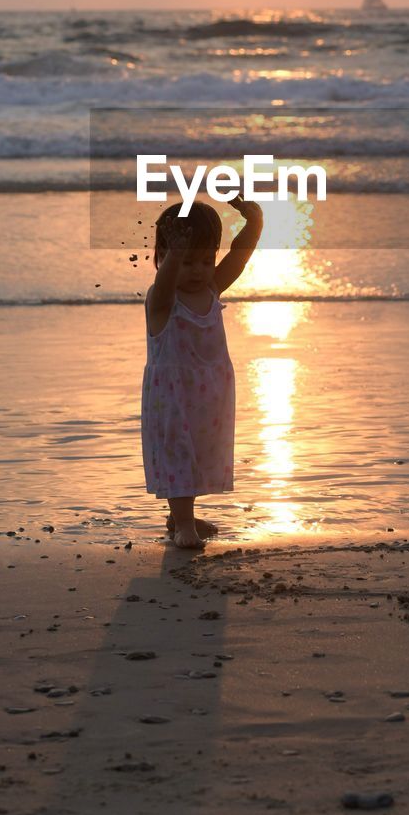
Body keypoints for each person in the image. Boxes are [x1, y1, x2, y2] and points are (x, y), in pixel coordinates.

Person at [141, 193, 263, 549]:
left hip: (210, 392)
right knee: (177, 451)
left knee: (201, 453)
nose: (197, 271)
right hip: (173, 394)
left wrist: (254, 226)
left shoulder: (210, 289)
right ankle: (183, 527)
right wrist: (175, 257)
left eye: (205, 261)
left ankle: (182, 515)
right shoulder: (162, 299)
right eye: (185, 262)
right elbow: (165, 284)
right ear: (160, 259)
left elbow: (238, 259)